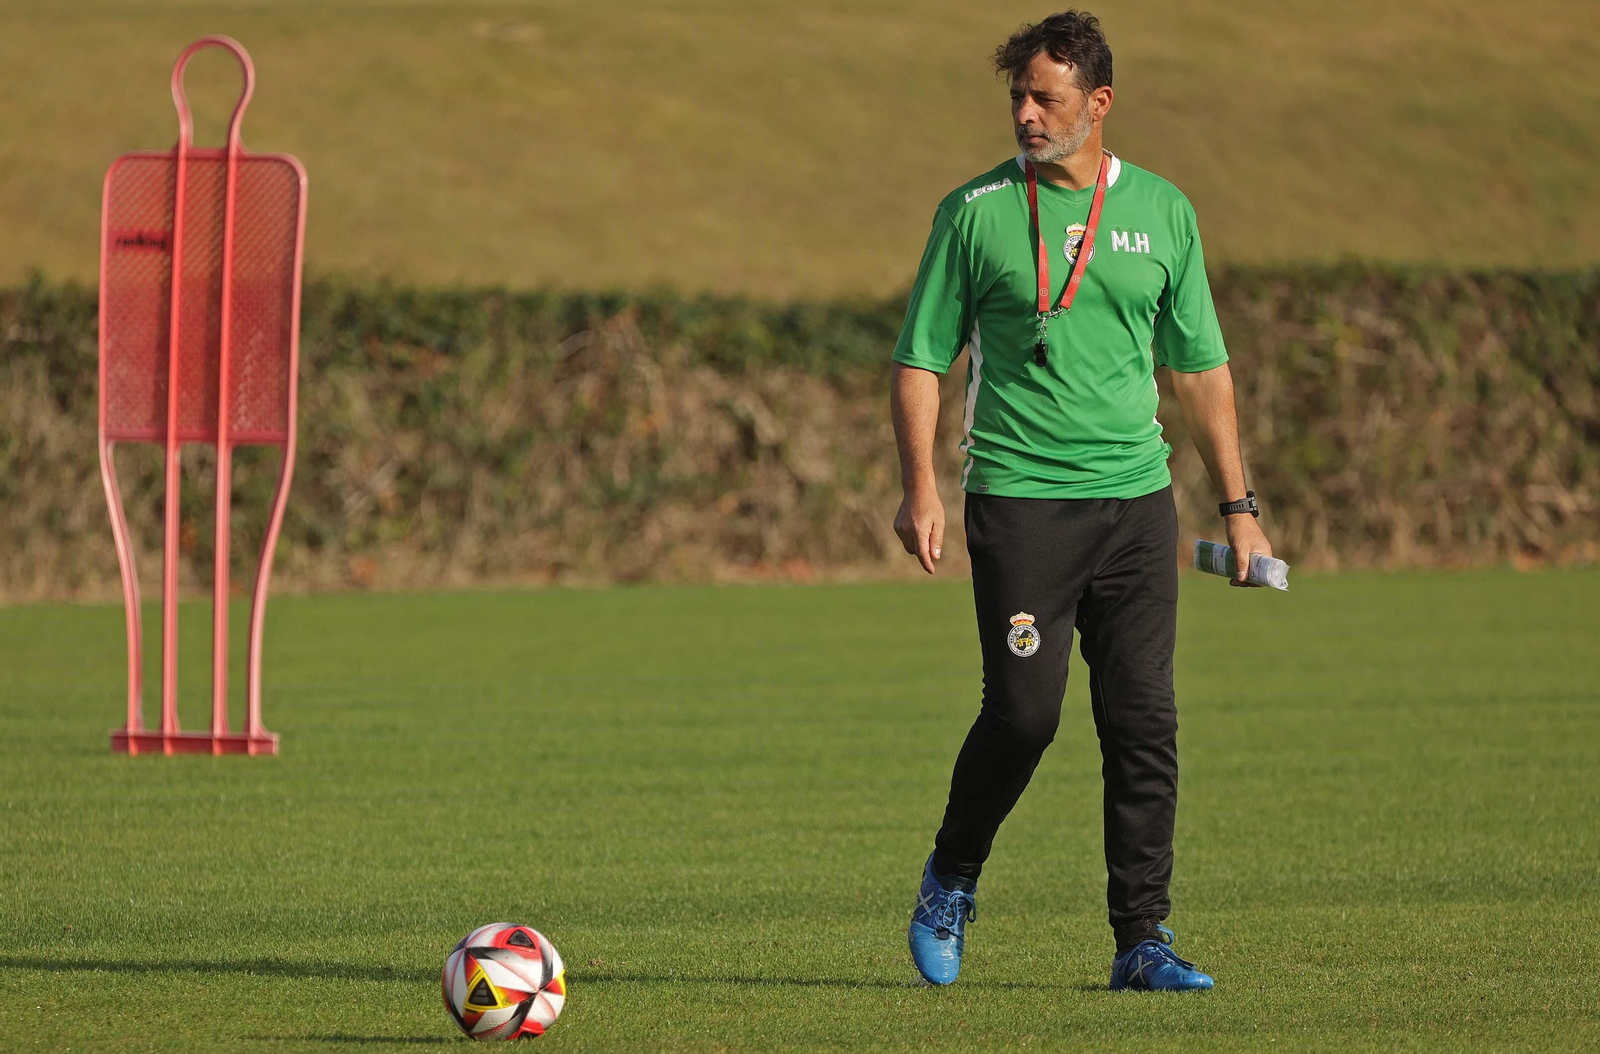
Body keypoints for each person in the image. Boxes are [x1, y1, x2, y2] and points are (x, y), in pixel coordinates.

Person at [889, 10, 1274, 991]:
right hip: (1020, 505)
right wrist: (919, 488)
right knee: (1023, 716)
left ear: (1096, 104)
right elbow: (922, 359)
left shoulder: (1163, 211)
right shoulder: (972, 213)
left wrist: (1238, 506)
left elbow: (1201, 372)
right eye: (1016, 96)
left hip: (1136, 510)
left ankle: (1141, 938)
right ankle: (950, 877)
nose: (1024, 113)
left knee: (1145, 720)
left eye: (1044, 97)